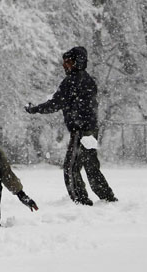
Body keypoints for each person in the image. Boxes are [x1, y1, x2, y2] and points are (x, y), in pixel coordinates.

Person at [25, 46, 117, 205]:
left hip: (80, 132)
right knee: (91, 166)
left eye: (68, 62)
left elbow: (56, 103)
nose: (64, 66)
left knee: (71, 167)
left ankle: (80, 201)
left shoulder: (72, 81)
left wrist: (36, 109)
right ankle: (107, 197)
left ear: (77, 62)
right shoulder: (88, 79)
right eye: (64, 62)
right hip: (91, 130)